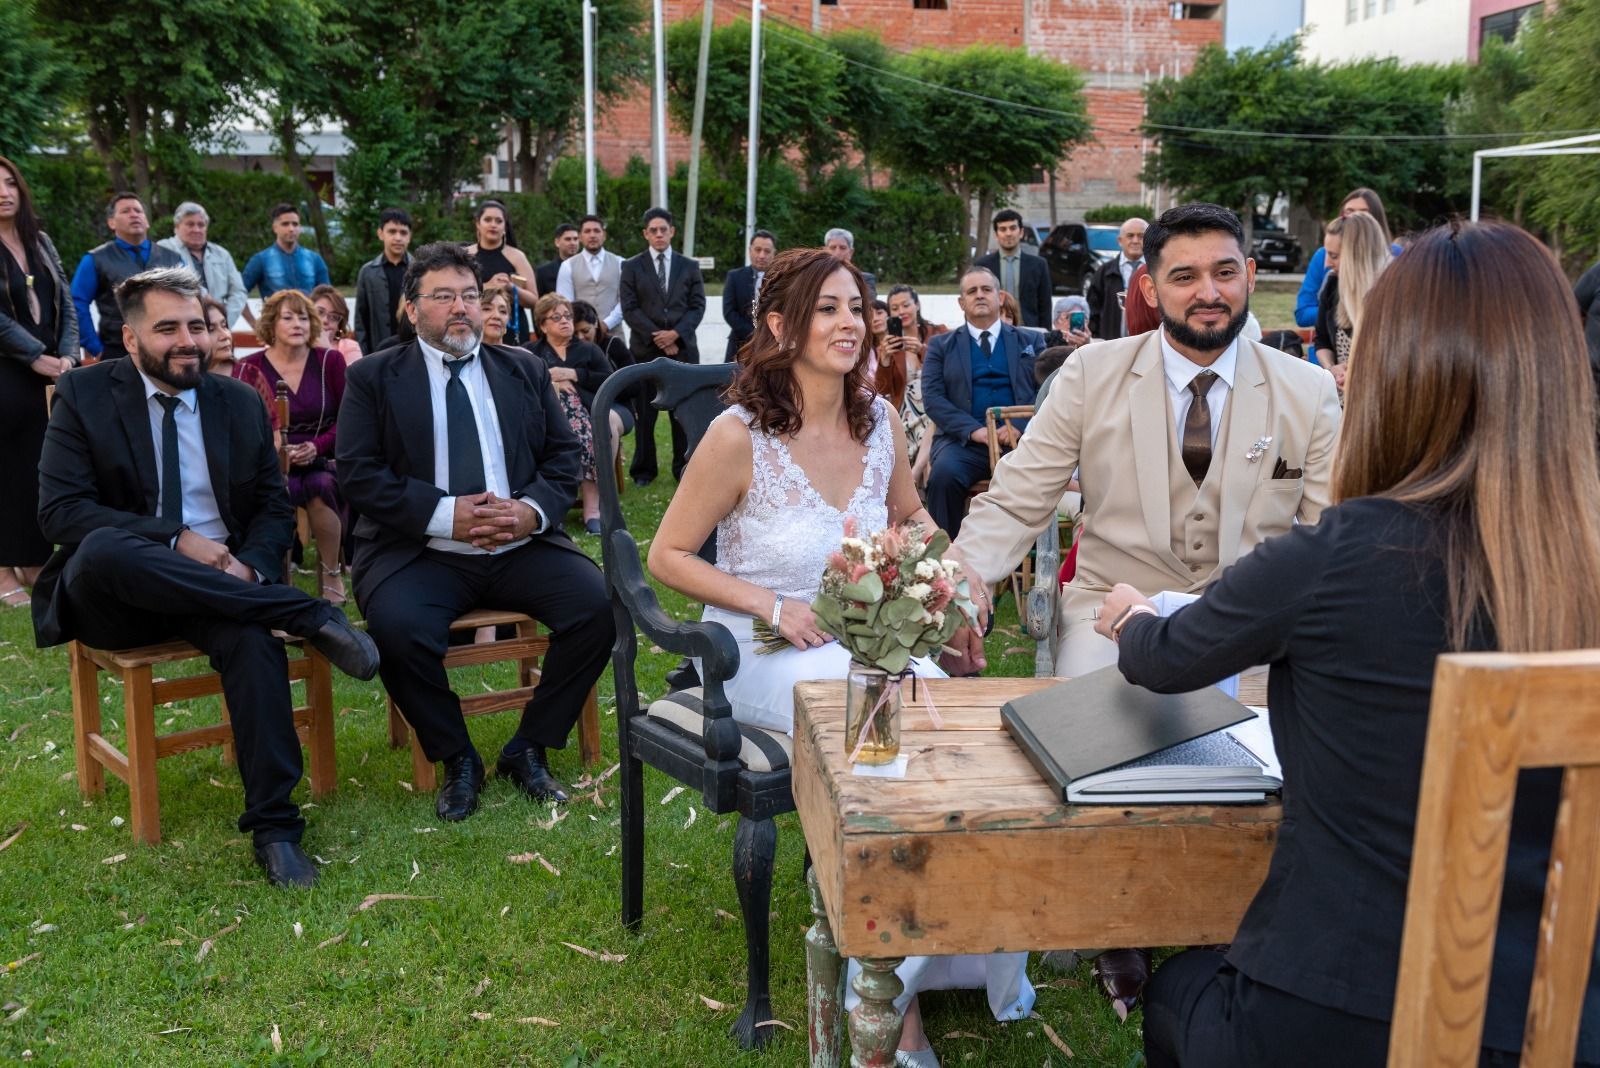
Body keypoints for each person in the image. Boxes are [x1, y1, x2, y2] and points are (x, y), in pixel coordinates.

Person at [1119, 219, 1600, 1068]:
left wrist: (1129, 618)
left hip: (1341, 1008)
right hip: (1562, 1020)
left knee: (1177, 992)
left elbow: (1164, 658)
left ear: (1391, 372)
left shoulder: (1340, 556)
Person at [948, 203, 1343, 1012]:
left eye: (1225, 273)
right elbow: (1019, 499)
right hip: (1111, 614)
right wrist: (960, 584)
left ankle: (1237, 920)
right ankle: (1119, 917)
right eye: (1186, 276)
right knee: (1114, 731)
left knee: (1277, 750)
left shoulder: (1309, 393)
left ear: (1248, 279)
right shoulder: (1091, 377)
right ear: (1150, 285)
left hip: (1256, 625)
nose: (1209, 293)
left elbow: (1330, 539)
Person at [647, 247, 1034, 1067]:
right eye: (827, 309)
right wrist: (771, 605)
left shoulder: (880, 419)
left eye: (856, 307)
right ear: (780, 325)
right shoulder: (736, 435)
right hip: (767, 652)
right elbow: (668, 555)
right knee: (883, 742)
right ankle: (882, 992)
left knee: (955, 733)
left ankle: (936, 940)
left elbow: (913, 517)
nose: (850, 323)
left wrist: (957, 583)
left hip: (872, 646)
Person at [32, 267, 378, 887]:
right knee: (108, 544)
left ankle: (275, 828)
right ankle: (298, 612)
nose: (188, 340)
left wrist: (246, 565)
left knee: (249, 640)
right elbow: (62, 512)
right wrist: (175, 538)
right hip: (120, 594)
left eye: (196, 324)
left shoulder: (237, 401)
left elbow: (274, 507)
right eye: (167, 328)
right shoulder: (84, 395)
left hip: (224, 587)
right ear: (132, 340)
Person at [336, 242, 613, 822]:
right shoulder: (373, 377)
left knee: (597, 606)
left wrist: (530, 512)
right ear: (412, 310)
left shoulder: (522, 369)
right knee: (398, 629)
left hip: (518, 544)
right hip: (421, 549)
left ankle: (529, 745)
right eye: (443, 297)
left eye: (469, 295)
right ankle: (459, 756)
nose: (460, 308)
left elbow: (563, 459)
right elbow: (360, 474)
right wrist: (445, 515)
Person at [0, 155, 77, 608]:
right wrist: (34, 357)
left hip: (48, 370)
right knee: (4, 467)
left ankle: (29, 560)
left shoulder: (40, 241)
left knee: (36, 465)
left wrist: (66, 354)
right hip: (8, 372)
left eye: (10, 183)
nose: (4, 192)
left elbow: (65, 300)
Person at [240, 290, 349, 605]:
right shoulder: (250, 368)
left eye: (303, 317)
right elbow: (245, 426)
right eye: (287, 317)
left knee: (321, 484)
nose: (297, 323)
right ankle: (278, 575)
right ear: (272, 325)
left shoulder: (330, 360)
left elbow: (349, 420)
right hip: (271, 463)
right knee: (276, 491)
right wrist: (274, 451)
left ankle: (330, 572)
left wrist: (317, 446)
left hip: (323, 459)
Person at [920, 266, 1042, 540]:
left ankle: (1036, 562)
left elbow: (1048, 391)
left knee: (1047, 475)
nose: (980, 295)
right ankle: (944, 566)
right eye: (972, 291)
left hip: (1023, 442)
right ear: (961, 302)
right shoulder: (940, 346)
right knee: (943, 476)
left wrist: (1020, 425)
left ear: (1000, 297)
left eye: (986, 289)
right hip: (964, 444)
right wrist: (977, 432)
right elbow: (933, 399)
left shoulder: (1031, 340)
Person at [619, 207, 705, 485]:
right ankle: (644, 470)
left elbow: (697, 306)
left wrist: (675, 335)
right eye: (653, 230)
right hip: (646, 350)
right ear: (646, 233)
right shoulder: (631, 267)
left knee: (683, 416)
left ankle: (685, 467)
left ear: (672, 232)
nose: (658, 234)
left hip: (683, 351)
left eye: (663, 229)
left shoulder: (689, 266)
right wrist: (658, 336)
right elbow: (630, 308)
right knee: (645, 415)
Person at [528, 292, 619, 536]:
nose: (565, 321)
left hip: (588, 412)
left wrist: (574, 375)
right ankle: (557, 506)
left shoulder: (588, 350)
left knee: (587, 431)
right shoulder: (531, 352)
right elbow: (523, 385)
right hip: (545, 418)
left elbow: (610, 380)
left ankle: (591, 509)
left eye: (567, 316)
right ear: (542, 325)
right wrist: (551, 381)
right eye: (556, 317)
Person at [70, 192, 183, 360]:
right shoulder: (95, 259)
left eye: (138, 211)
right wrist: (95, 347)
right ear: (111, 222)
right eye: (126, 211)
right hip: (117, 350)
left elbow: (189, 299)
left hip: (167, 348)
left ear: (147, 221)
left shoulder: (172, 258)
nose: (134, 215)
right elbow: (77, 303)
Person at [1295, 187, 1395, 337]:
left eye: (1363, 212)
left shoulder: (1396, 256)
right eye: (1349, 212)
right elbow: (1302, 314)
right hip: (1327, 350)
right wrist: (1337, 308)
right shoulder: (1323, 257)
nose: (1355, 217)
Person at [1314, 211, 1391, 392]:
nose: (1326, 263)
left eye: (1334, 256)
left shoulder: (1392, 298)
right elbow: (1322, 340)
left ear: (1358, 256)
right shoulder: (1332, 286)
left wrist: (1362, 373)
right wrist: (1331, 368)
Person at [884, 285, 947, 491]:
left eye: (905, 305)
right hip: (905, 412)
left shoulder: (939, 334)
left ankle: (916, 471)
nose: (901, 311)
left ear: (917, 305)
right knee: (933, 419)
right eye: (894, 308)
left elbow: (952, 369)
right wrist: (884, 360)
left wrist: (923, 351)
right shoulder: (888, 344)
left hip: (936, 403)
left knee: (935, 412)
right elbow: (882, 390)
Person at [157, 202, 247, 328]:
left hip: (220, 327)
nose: (196, 229)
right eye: (190, 224)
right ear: (177, 226)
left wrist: (224, 321)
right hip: (182, 327)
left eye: (201, 225)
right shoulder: (163, 249)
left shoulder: (221, 254)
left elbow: (238, 292)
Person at [240, 203, 331, 323]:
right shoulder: (260, 260)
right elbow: (238, 295)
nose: (291, 229)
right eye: (285, 224)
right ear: (275, 228)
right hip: (276, 331)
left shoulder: (314, 259)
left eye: (295, 224)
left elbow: (328, 297)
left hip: (309, 330)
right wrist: (255, 325)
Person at [465, 199, 538, 346]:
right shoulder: (466, 255)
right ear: (478, 224)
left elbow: (534, 300)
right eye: (488, 220)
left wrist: (512, 288)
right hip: (474, 326)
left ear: (504, 226)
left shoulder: (517, 256)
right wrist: (488, 286)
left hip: (510, 327)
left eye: (498, 221)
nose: (493, 225)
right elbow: (457, 294)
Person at [572, 298, 636, 451]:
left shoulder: (613, 345)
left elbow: (635, 385)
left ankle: (603, 474)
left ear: (596, 323)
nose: (581, 337)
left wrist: (584, 379)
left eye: (585, 331)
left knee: (605, 421)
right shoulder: (568, 350)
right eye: (575, 333)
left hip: (616, 407)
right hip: (580, 408)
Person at [976, 208, 1051, 328]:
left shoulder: (1039, 265)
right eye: (1003, 229)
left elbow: (1045, 307)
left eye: (1013, 228)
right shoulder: (983, 265)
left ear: (1021, 232)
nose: (1008, 233)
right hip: (992, 330)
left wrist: (1046, 336)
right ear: (996, 234)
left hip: (1029, 332)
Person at [201, 295, 273, 419]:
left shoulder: (250, 375)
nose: (224, 335)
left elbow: (273, 434)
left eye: (224, 326)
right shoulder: (184, 382)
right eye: (211, 329)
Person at [353, 208, 413, 355]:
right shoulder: (368, 272)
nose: (398, 238)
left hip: (413, 350)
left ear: (409, 236)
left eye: (403, 233)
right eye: (392, 232)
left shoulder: (420, 270)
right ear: (381, 234)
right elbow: (361, 319)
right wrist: (364, 354)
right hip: (378, 351)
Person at [555, 214, 626, 335]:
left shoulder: (620, 263)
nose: (592, 235)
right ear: (580, 237)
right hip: (579, 335)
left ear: (604, 235)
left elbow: (625, 301)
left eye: (597, 231)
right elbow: (565, 303)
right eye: (587, 231)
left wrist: (606, 324)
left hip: (614, 335)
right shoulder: (567, 266)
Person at [1086, 216, 1148, 340]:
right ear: (1120, 240)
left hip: (1148, 344)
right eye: (1130, 236)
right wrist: (1098, 339)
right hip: (1111, 343)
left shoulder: (1157, 271)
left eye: (1141, 236)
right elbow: (1093, 310)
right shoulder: (1104, 272)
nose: (1135, 241)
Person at [722, 229, 776, 361]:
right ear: (750, 250)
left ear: (774, 253)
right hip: (739, 345)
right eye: (757, 250)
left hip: (771, 347)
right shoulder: (734, 277)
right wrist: (754, 335)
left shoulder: (781, 279)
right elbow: (729, 311)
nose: (762, 255)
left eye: (767, 251)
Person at [311, 284, 364, 365]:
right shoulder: (296, 343)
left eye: (334, 317)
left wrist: (327, 350)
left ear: (339, 325)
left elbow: (349, 377)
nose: (325, 320)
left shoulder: (350, 347)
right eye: (320, 312)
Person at [823, 227, 876, 297]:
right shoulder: (815, 278)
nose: (837, 252)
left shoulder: (865, 280)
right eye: (833, 247)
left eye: (842, 248)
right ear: (825, 250)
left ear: (851, 252)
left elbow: (869, 303)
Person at [535, 222, 579, 297]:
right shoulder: (544, 273)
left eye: (575, 239)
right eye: (568, 239)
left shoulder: (587, 268)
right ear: (557, 242)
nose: (573, 243)